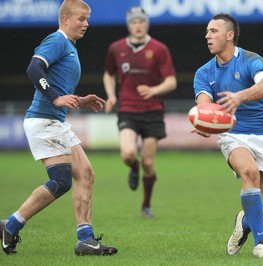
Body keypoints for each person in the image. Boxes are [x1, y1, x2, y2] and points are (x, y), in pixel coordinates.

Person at [0, 0, 117, 256]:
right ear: (65, 19)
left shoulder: (69, 47)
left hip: (55, 122)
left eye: (88, 19)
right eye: (81, 19)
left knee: (85, 173)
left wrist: (79, 101)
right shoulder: (57, 40)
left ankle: (85, 239)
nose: (86, 24)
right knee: (61, 181)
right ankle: (12, 224)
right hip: (44, 121)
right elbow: (34, 67)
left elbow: (57, 84)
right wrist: (55, 97)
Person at [192, 14, 263, 258]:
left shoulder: (251, 60)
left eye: (214, 31)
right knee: (249, 172)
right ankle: (261, 243)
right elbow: (204, 106)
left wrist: (239, 96)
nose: (207, 35)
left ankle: (246, 222)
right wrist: (204, 122)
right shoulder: (204, 73)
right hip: (232, 134)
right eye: (207, 31)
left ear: (229, 35)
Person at [103, 7, 177, 219]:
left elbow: (171, 81)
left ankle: (146, 205)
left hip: (153, 111)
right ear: (129, 24)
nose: (138, 25)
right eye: (134, 22)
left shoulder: (159, 49)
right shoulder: (116, 48)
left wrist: (153, 90)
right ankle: (133, 167)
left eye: (141, 22)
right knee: (127, 154)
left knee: (149, 163)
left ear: (146, 24)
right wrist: (111, 95)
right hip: (127, 109)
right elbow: (108, 74)